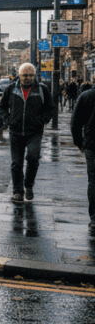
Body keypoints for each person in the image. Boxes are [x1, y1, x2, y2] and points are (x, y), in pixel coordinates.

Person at [0, 62, 56, 203]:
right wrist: (7, 120)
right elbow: (1, 107)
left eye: (30, 75)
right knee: (16, 163)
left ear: (35, 76)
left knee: (33, 159)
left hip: (34, 131)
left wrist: (42, 120)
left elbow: (51, 108)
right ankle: (18, 191)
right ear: (19, 75)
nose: (28, 78)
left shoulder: (42, 89)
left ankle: (29, 185)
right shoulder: (11, 89)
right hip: (15, 131)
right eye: (25, 75)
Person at [70, 84, 95, 232]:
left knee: (93, 180)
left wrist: (79, 143)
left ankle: (94, 217)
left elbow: (75, 122)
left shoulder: (86, 96)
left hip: (92, 144)